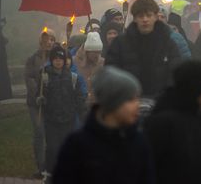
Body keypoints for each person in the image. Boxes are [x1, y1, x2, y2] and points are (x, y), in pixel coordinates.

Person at [52, 66, 155, 184]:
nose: (137, 105)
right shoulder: (77, 145)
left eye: (137, 99)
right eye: (131, 100)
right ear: (113, 102)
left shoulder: (139, 143)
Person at [106, 0, 181, 99]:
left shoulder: (168, 44)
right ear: (135, 18)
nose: (145, 19)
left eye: (149, 15)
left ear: (155, 17)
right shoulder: (120, 44)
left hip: (160, 102)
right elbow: (112, 73)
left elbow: (175, 73)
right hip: (129, 100)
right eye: (141, 16)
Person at [37, 45, 86, 175]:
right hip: (51, 119)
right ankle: (49, 172)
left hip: (67, 118)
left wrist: (81, 109)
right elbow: (39, 94)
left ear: (64, 60)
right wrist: (40, 99)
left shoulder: (72, 77)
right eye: (55, 58)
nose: (58, 61)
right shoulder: (45, 76)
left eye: (60, 58)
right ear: (51, 60)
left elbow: (79, 96)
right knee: (52, 148)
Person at [25, 28, 56, 178]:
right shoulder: (33, 59)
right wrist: (37, 94)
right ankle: (40, 167)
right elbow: (29, 78)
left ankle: (50, 167)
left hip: (52, 104)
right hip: (35, 103)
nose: (49, 42)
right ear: (41, 41)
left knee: (51, 134)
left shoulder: (58, 58)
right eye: (46, 39)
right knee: (39, 132)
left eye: (52, 39)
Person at [73, 31, 105, 105]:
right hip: (79, 104)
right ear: (86, 51)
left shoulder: (103, 63)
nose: (97, 55)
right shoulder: (74, 62)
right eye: (94, 52)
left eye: (99, 52)